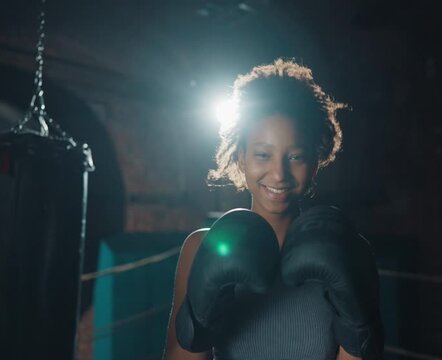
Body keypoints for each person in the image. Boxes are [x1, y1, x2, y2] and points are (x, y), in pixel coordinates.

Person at [163, 58, 383, 360]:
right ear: (240, 156)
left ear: (315, 161)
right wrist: (200, 320)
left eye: (295, 157)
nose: (279, 174)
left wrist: (357, 326)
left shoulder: (350, 252)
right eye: (263, 154)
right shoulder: (203, 246)